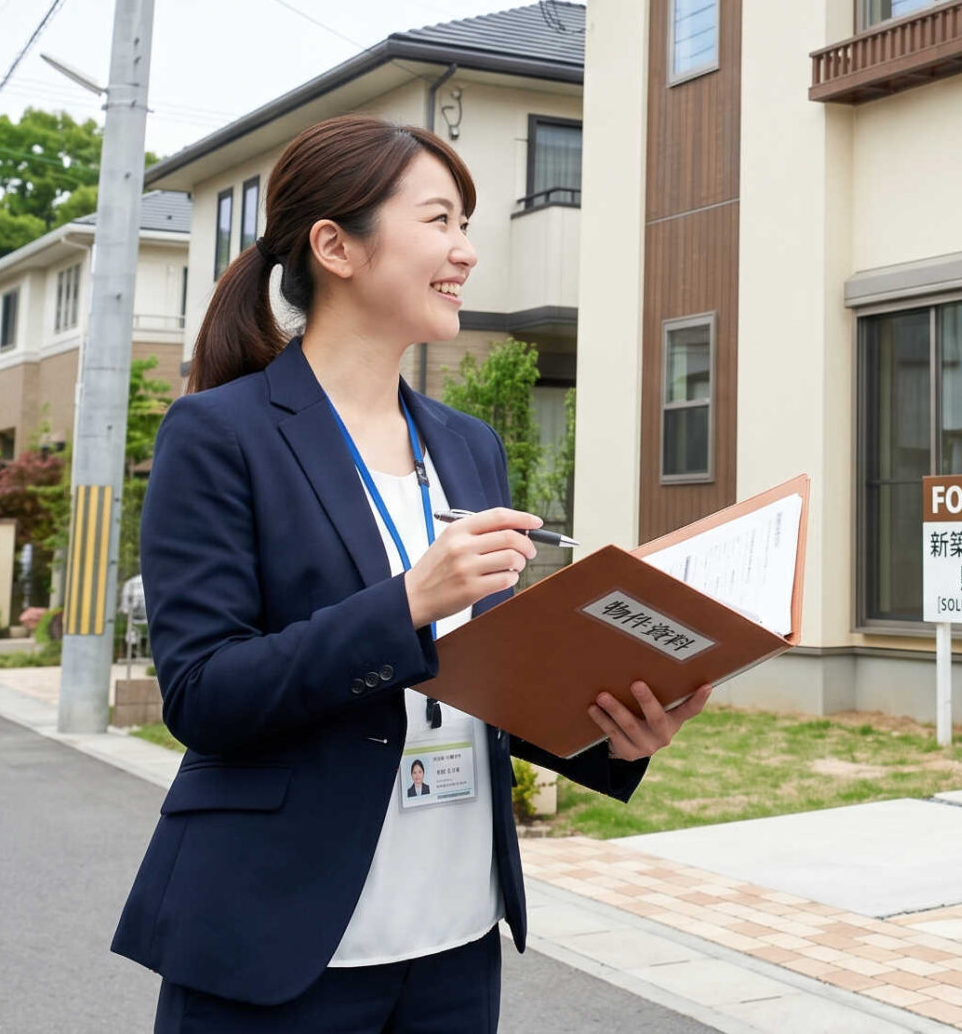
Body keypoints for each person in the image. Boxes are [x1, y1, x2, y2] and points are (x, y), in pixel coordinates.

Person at [113, 114, 711, 1032]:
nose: (467, 252)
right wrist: (407, 602)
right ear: (335, 246)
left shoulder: (465, 445)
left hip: (453, 943)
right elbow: (202, 693)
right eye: (440, 221)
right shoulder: (221, 434)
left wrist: (611, 732)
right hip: (279, 945)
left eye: (465, 227)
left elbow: (488, 682)